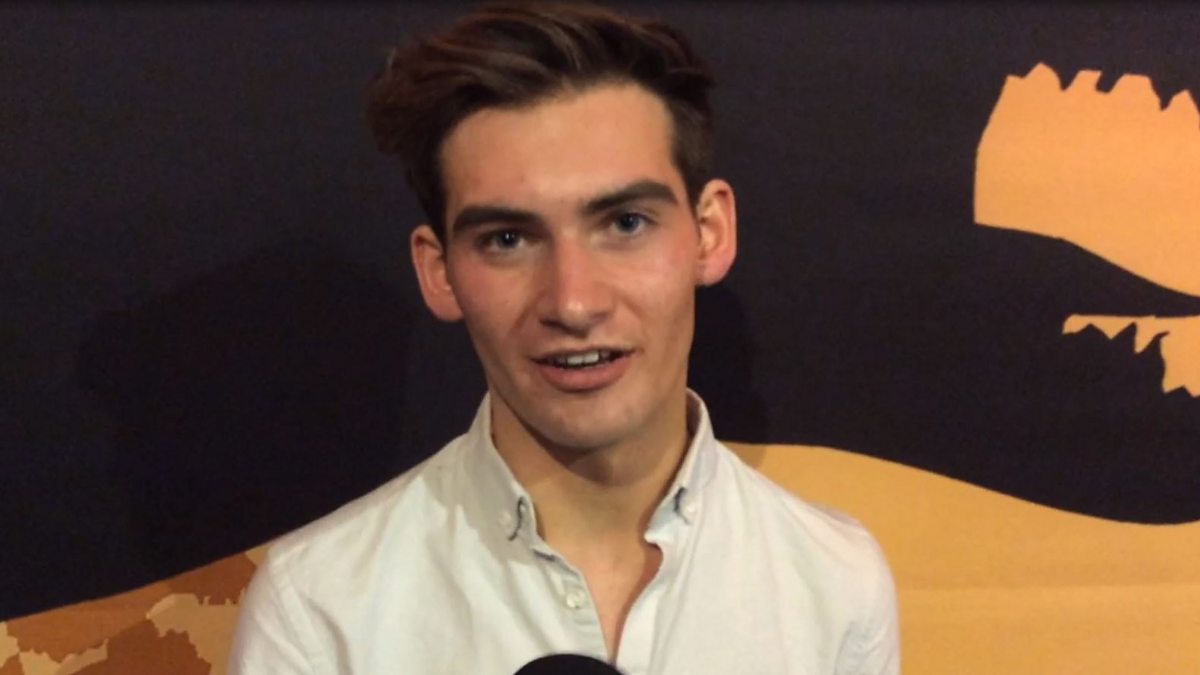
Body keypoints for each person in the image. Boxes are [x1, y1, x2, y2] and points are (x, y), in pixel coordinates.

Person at [229, 2, 899, 673]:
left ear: (710, 232)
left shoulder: (834, 584)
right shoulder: (319, 613)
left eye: (626, 223)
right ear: (439, 272)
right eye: (508, 239)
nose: (574, 302)